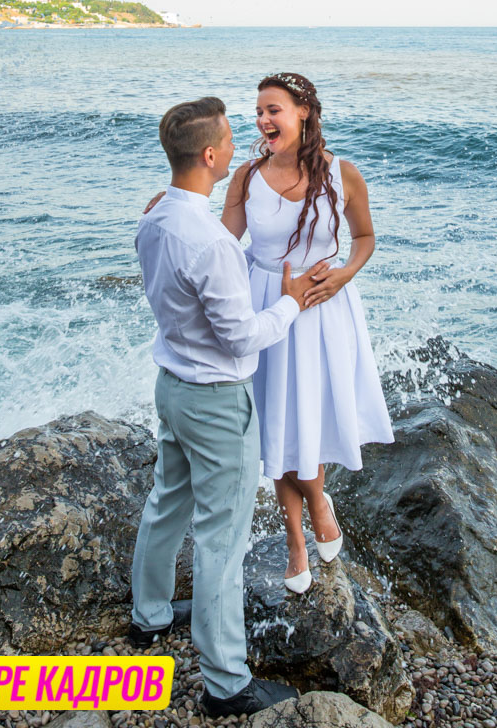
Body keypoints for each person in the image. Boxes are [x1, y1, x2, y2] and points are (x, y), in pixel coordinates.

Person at [130, 96, 325, 718]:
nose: (240, 147)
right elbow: (241, 337)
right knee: (222, 537)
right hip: (216, 401)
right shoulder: (209, 240)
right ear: (210, 156)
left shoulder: (156, 218)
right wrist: (291, 301)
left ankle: (149, 617)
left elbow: (196, 282)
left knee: (167, 501)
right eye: (232, 140)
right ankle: (225, 683)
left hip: (173, 387)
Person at [222, 72, 395, 593]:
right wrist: (171, 208)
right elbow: (220, 246)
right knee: (275, 420)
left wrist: (345, 272)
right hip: (266, 306)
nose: (262, 120)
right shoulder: (246, 177)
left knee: (306, 415)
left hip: (322, 308)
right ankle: (297, 534)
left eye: (273, 109)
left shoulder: (343, 174)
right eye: (258, 112)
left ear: (303, 112)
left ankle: (318, 499)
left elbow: (364, 237)